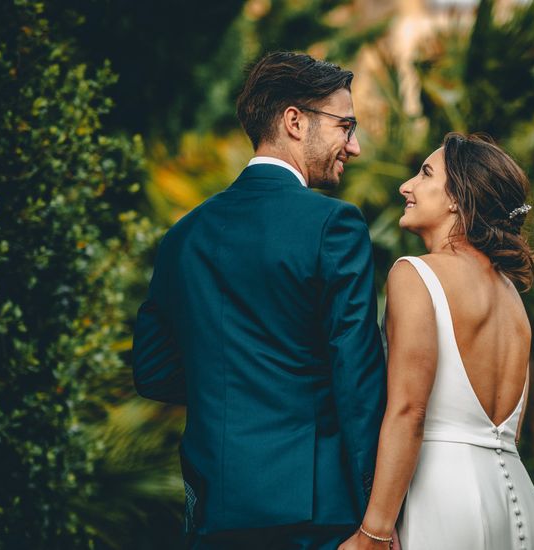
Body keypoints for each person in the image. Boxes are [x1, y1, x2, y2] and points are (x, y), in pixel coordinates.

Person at [132, 51, 386, 550]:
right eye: (346, 126)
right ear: (295, 121)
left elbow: (153, 371)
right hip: (317, 511)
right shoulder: (335, 225)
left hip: (214, 510)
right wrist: (378, 511)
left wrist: (232, 385)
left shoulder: (183, 237)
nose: (353, 146)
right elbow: (356, 376)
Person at [339, 133, 534, 550]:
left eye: (425, 174)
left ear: (457, 198)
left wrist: (374, 531)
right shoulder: (512, 299)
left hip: (445, 501)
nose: (407, 186)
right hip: (522, 506)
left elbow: (408, 410)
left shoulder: (416, 275)